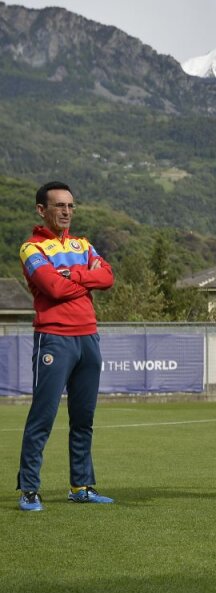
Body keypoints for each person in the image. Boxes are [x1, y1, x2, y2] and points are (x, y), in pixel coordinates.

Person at [15, 181, 116, 511]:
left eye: (71, 206)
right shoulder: (32, 248)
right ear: (42, 210)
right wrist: (85, 279)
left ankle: (81, 486)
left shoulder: (83, 244)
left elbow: (108, 278)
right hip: (54, 338)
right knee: (42, 417)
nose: (67, 212)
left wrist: (72, 275)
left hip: (88, 337)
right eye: (59, 206)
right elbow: (53, 289)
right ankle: (29, 489)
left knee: (83, 418)